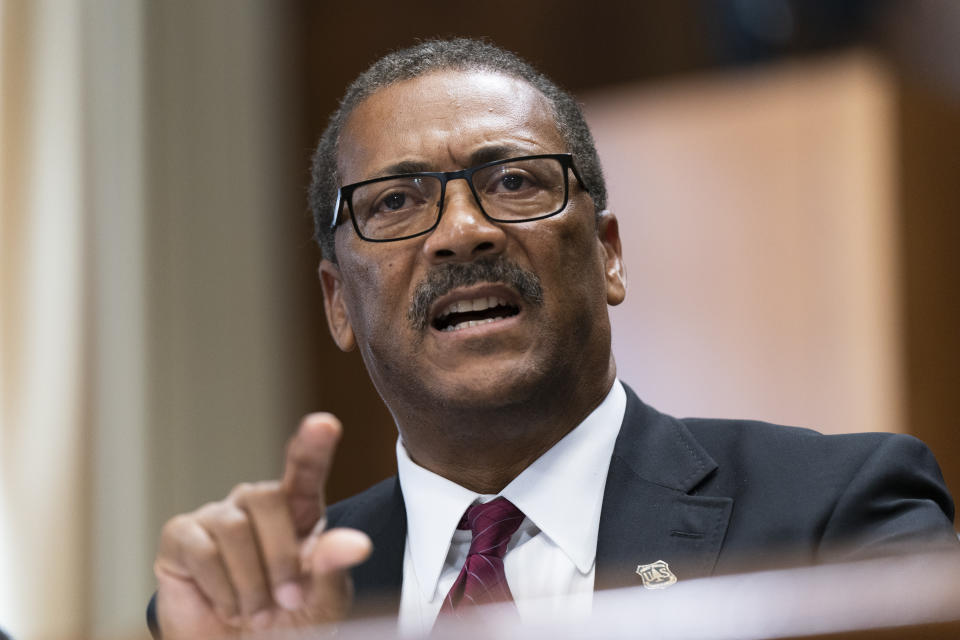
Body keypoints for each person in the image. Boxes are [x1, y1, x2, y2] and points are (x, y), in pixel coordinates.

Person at [148, 38, 958, 638]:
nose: (462, 232)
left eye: (512, 182)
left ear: (607, 254)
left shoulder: (839, 512)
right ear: (336, 304)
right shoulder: (256, 602)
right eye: (394, 202)